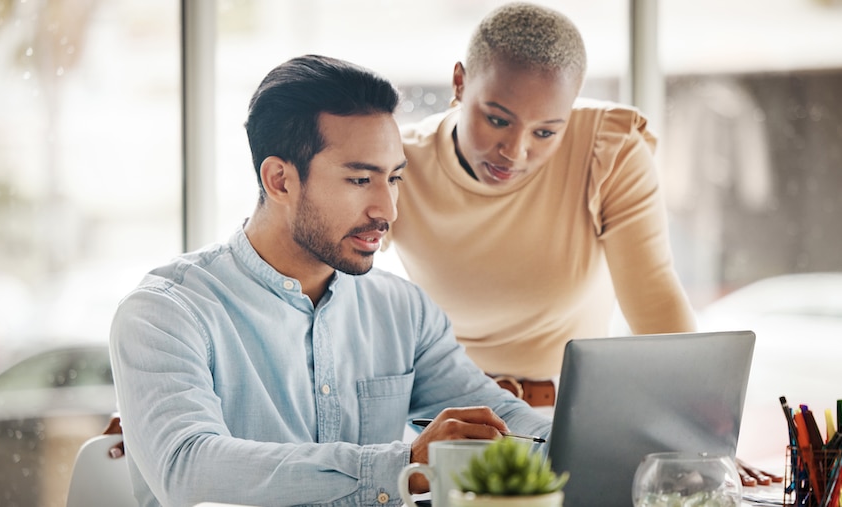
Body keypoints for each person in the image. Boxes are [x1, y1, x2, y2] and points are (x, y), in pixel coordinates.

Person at [108, 54, 550, 507]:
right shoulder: (165, 313)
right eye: (361, 179)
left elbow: (502, 420)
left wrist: (581, 441)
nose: (387, 210)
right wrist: (403, 464)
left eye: (393, 178)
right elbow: (190, 469)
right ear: (280, 180)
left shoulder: (404, 311)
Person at [387, 2, 696, 402]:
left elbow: (655, 303)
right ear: (460, 83)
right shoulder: (399, 162)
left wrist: (699, 433)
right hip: (446, 415)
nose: (514, 152)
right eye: (497, 120)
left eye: (546, 133)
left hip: (570, 416)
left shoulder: (609, 149)